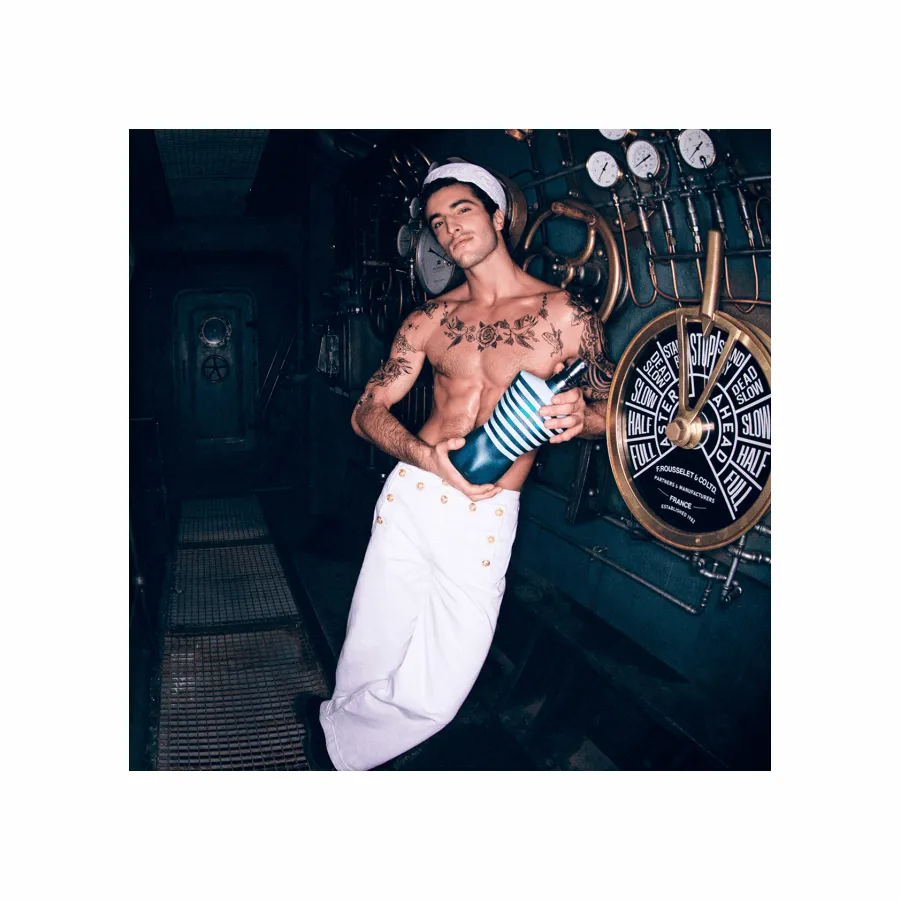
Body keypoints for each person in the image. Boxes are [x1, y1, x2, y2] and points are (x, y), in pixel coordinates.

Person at [297, 161, 616, 771]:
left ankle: (339, 739)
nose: (449, 229)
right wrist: (424, 456)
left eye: (462, 211)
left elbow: (616, 414)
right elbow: (367, 411)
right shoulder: (430, 319)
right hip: (415, 491)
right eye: (438, 222)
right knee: (372, 641)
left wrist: (586, 417)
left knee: (442, 681)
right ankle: (339, 743)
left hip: (484, 510)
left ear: (497, 216)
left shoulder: (565, 316)